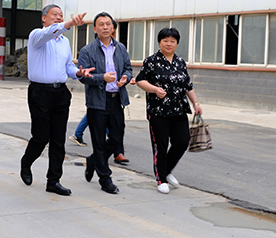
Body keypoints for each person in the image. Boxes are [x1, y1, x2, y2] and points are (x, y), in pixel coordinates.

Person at [20, 4, 94, 196]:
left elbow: (68, 66)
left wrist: (78, 72)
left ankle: (53, 181)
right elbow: (50, 32)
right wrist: (69, 24)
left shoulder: (64, 42)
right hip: (40, 93)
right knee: (40, 137)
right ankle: (26, 162)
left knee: (58, 139)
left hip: (60, 93)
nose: (59, 17)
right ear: (44, 18)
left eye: (61, 15)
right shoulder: (37, 36)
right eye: (55, 14)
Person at [135, 27, 202, 194]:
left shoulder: (180, 62)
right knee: (161, 146)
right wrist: (154, 89)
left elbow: (188, 85)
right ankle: (161, 179)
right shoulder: (151, 61)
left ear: (177, 43)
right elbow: (140, 80)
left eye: (172, 41)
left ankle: (166, 170)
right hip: (158, 112)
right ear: (159, 42)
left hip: (179, 110)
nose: (169, 44)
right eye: (165, 40)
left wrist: (196, 103)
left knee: (182, 142)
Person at [78, 12, 132, 194]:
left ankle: (93, 160)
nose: (105, 27)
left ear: (113, 27)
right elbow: (83, 77)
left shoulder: (120, 48)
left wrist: (125, 78)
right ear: (95, 29)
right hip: (97, 102)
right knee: (99, 141)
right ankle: (105, 179)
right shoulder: (87, 51)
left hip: (117, 100)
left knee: (117, 139)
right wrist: (102, 78)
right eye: (101, 24)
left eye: (108, 24)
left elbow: (128, 69)